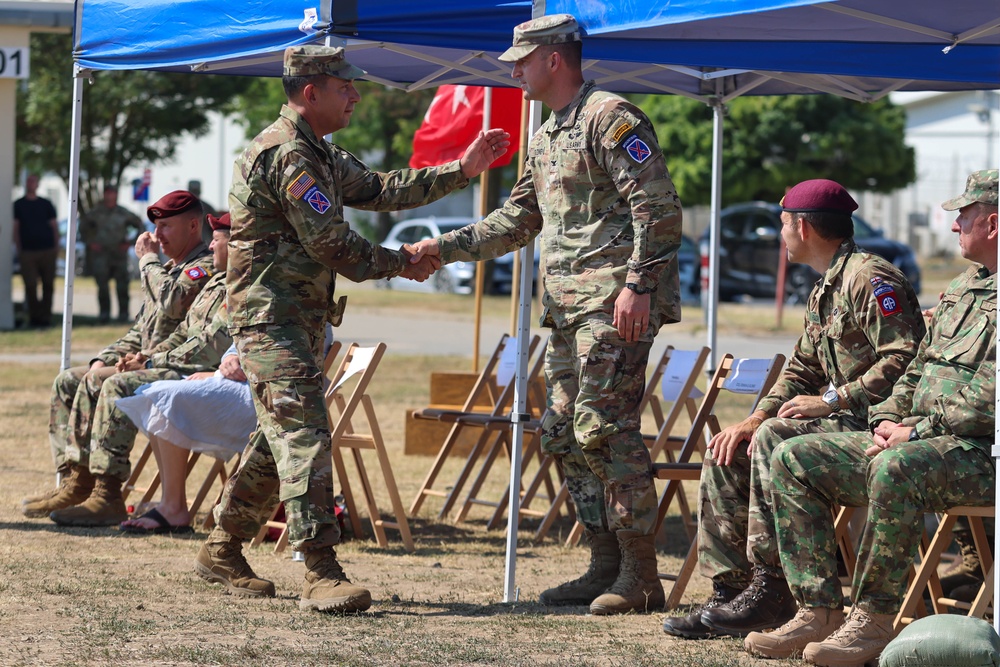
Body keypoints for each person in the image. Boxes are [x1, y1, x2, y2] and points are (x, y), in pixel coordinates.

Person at [193, 44, 508, 613]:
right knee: (305, 435)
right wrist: (402, 263)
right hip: (272, 319)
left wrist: (461, 171)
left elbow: (382, 190)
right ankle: (320, 569)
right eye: (346, 87)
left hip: (297, 318)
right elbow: (332, 244)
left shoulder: (318, 152)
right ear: (311, 91)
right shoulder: (289, 155)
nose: (357, 95)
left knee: (278, 438)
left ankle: (222, 546)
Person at [407, 14, 683, 615]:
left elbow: (659, 210)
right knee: (560, 431)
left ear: (554, 58)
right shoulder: (548, 132)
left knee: (603, 427)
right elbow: (517, 220)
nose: (514, 71)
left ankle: (641, 574)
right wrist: (441, 247)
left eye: (522, 61)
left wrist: (638, 287)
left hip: (614, 304)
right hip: (563, 309)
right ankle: (604, 563)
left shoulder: (612, 117)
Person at [744, 168, 997, 666]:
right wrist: (887, 420)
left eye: (963, 216)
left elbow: (989, 398)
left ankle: (875, 620)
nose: (953, 227)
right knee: (794, 456)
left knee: (894, 468)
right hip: (922, 443)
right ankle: (817, 610)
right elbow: (918, 366)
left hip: (981, 454)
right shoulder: (967, 286)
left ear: (993, 224)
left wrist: (913, 431)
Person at [663, 179, 926, 639]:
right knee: (732, 446)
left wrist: (832, 399)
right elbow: (801, 370)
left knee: (772, 439)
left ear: (803, 227)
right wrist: (753, 417)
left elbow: (904, 357)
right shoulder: (827, 286)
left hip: (878, 423)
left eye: (783, 223)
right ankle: (732, 593)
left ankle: (774, 589)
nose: (780, 232)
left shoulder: (870, 277)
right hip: (842, 420)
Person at [21, 191, 214, 518]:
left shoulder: (203, 266)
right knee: (69, 381)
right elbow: (141, 330)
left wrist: (148, 261)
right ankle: (76, 480)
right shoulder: (167, 267)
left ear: (193, 225)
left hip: (184, 368)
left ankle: (107, 491)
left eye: (166, 226)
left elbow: (174, 301)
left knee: (105, 383)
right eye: (155, 227)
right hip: (150, 362)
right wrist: (105, 357)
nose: (157, 236)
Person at [116, 342, 255, 534]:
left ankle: (171, 506)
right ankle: (171, 504)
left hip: (276, 392)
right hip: (241, 379)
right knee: (158, 394)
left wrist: (149, 362)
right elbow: (240, 340)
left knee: (168, 397)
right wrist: (228, 360)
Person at [80, 184, 145, 323]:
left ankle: (123, 315)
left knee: (122, 286)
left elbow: (140, 225)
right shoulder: (96, 212)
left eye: (112, 193)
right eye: (107, 193)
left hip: (118, 254)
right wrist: (91, 243)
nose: (109, 196)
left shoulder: (123, 213)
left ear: (116, 195)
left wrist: (130, 242)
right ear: (104, 195)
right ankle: (104, 315)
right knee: (102, 286)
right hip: (101, 254)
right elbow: (83, 227)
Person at [13, 173, 59, 328]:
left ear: (37, 184)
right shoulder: (18, 204)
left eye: (33, 181)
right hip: (27, 251)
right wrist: (18, 247)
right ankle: (34, 317)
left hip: (47, 250)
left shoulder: (46, 204)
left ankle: (46, 318)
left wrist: (56, 246)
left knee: (48, 284)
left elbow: (54, 226)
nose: (31, 183)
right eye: (28, 181)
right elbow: (16, 227)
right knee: (30, 285)